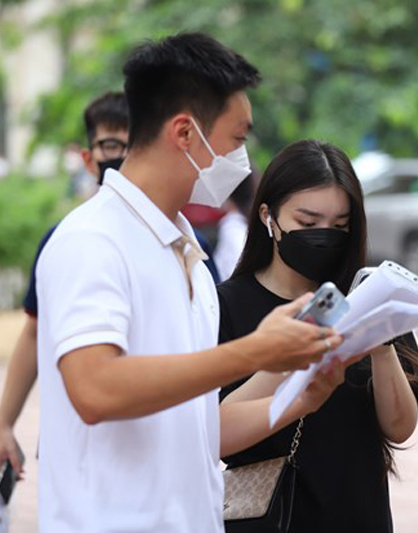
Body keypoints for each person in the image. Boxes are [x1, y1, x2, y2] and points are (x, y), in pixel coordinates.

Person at [33, 33, 342, 533]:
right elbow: (95, 389)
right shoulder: (92, 240)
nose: (242, 160)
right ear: (184, 132)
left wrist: (297, 402)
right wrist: (257, 352)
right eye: (237, 139)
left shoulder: (189, 254)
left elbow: (198, 428)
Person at [217, 139, 418, 532]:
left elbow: (400, 427)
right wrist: (291, 351)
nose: (324, 235)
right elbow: (214, 433)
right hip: (267, 520)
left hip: (359, 516)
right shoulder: (225, 305)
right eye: (308, 222)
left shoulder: (367, 296)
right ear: (269, 216)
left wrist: (381, 345)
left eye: (339, 226)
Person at [0, 90, 131, 478]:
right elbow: (35, 331)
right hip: (76, 444)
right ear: (88, 159)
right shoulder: (65, 238)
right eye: (109, 144)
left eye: (130, 143)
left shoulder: (187, 244)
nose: (120, 154)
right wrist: (4, 423)